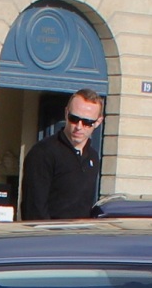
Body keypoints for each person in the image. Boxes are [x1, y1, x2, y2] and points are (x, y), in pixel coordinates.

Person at [18, 88, 105, 220]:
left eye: (87, 122)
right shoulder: (43, 153)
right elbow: (34, 209)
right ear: (66, 113)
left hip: (80, 236)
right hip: (51, 237)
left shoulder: (92, 156)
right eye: (74, 118)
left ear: (98, 122)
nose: (79, 127)